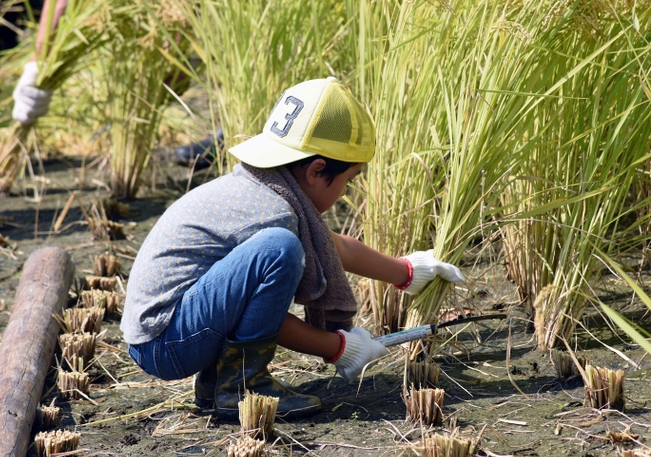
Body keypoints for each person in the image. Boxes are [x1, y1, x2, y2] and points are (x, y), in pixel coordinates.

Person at [120, 77, 466, 420]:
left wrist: (405, 272)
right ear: (317, 171)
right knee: (280, 248)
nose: (346, 193)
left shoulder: (261, 188)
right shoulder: (275, 216)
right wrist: (340, 349)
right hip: (166, 343)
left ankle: (219, 388)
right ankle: (241, 387)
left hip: (165, 332)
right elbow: (267, 319)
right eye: (349, 181)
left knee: (277, 248)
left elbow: (337, 248)